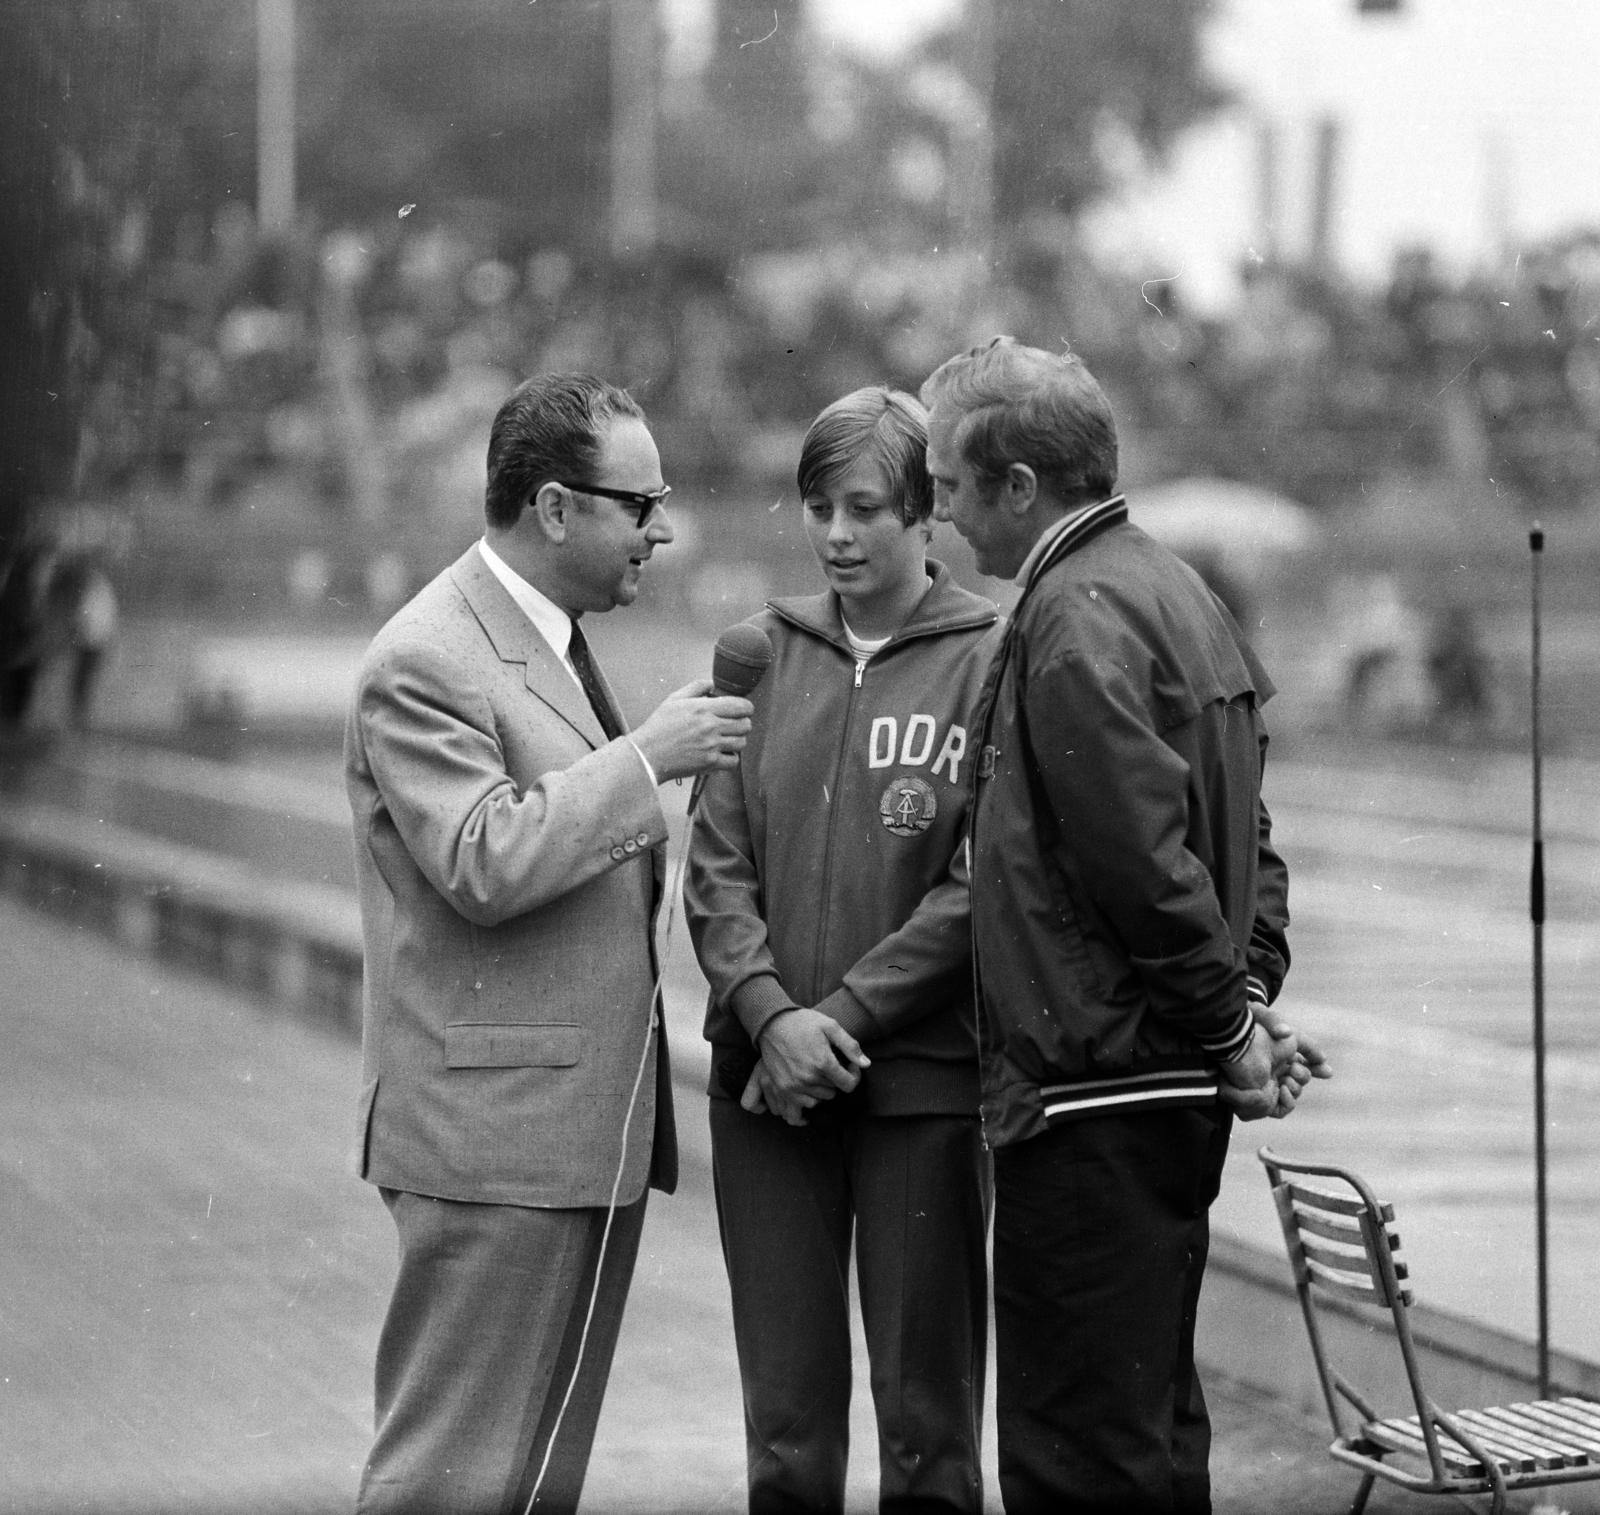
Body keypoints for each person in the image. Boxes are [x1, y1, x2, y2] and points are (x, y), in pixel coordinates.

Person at [920, 338, 1327, 1515]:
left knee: (1075, 1452)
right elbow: (1246, 837)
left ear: (1016, 487)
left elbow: (1138, 863)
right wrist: (1238, 1009)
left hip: (1091, 1082)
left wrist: (1226, 1023)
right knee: (1147, 1434)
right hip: (1156, 1082)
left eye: (949, 484)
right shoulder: (1175, 588)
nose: (938, 513)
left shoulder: (1070, 612)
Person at [344, 372, 753, 1515]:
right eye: (641, 503)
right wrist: (648, 761)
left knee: (526, 1483)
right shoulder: (425, 657)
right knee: (450, 1480)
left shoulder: (543, 638)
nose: (661, 529)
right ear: (558, 508)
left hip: (567, 1136)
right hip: (497, 1146)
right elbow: (481, 859)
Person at [685, 387, 1000, 1513]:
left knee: (927, 1429)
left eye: (864, 508)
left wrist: (843, 1019)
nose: (835, 534)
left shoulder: (990, 658)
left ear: (926, 517)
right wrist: (771, 1016)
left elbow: (980, 886)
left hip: (916, 1090)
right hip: (768, 1095)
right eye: (819, 506)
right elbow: (715, 864)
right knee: (785, 1435)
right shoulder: (756, 652)